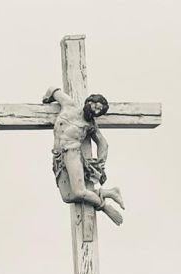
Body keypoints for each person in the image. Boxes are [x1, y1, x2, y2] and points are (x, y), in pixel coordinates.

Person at [44, 87, 126, 225]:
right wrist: (47, 98)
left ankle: (103, 206)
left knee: (78, 192)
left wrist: (100, 166)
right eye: (95, 105)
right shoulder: (68, 105)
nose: (95, 110)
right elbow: (53, 90)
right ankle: (109, 192)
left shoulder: (90, 125)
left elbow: (103, 144)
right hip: (58, 156)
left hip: (72, 154)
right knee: (67, 196)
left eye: (99, 110)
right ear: (89, 101)